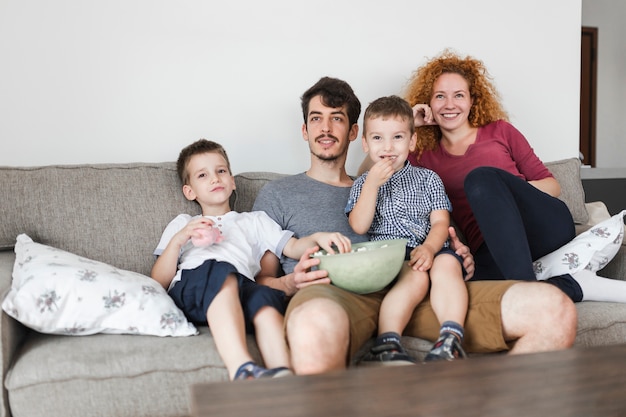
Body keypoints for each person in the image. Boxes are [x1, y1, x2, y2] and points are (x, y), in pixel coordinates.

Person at [253, 76, 576, 376]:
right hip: (338, 297)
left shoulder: (394, 180)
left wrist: (459, 251)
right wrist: (290, 284)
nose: (325, 127)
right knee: (314, 322)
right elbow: (258, 280)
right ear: (304, 130)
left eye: (336, 118)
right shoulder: (279, 194)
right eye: (316, 118)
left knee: (552, 308)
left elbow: (436, 222)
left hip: (423, 289)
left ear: (353, 133)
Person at [398, 49, 626, 303]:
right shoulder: (423, 154)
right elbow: (373, 171)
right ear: (428, 102)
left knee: (480, 178)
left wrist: (505, 192)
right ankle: (568, 285)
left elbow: (552, 185)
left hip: (543, 227)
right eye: (440, 96)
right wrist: (408, 123)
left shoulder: (500, 131)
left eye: (459, 95)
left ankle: (525, 292)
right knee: (471, 290)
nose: (450, 104)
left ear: (472, 100)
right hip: (493, 247)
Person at [151, 139, 351, 380]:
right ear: (190, 191)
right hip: (193, 289)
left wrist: (318, 237)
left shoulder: (255, 221)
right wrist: (179, 240)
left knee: (264, 297)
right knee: (220, 270)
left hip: (241, 287)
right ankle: (242, 368)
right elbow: (159, 280)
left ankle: (283, 373)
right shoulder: (183, 223)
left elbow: (293, 246)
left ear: (232, 181)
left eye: (221, 171)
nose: (215, 178)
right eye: (203, 175)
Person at [346, 95, 468, 363]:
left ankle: (450, 338)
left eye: (398, 137)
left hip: (431, 248)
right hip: (391, 255)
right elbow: (358, 225)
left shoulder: (428, 179)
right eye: (378, 138)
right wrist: (371, 186)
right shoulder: (363, 183)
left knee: (448, 265)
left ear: (411, 141)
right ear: (365, 143)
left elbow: (440, 223)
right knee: (416, 276)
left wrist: (429, 247)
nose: (388, 147)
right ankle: (387, 341)